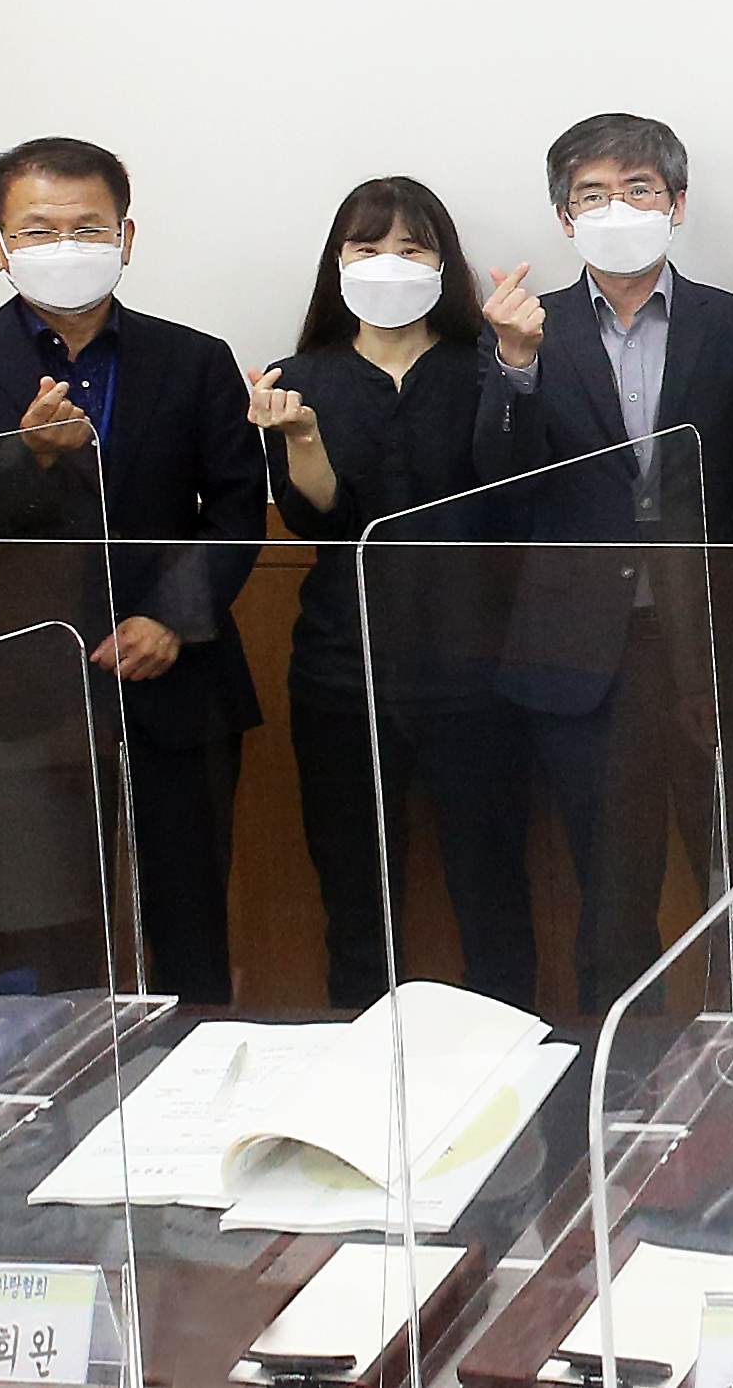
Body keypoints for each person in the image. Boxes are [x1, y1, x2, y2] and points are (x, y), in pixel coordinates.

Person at [0, 138, 267, 1003]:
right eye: (39, 230)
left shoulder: (194, 358)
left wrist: (173, 618)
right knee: (51, 935)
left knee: (190, 923)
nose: (65, 246)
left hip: (181, 682)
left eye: (88, 228)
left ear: (125, 236)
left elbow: (237, 510)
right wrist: (26, 457)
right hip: (28, 696)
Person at [469, 113, 733, 1016]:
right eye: (593, 196)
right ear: (564, 218)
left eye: (639, 190)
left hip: (713, 642)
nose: (618, 210)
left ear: (677, 205)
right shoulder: (523, 330)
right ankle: (618, 1077)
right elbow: (498, 485)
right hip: (583, 652)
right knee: (611, 893)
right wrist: (515, 364)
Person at [241, 177, 536, 1009]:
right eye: (367, 249)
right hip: (343, 669)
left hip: (476, 669)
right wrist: (301, 437)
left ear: (444, 266)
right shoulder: (301, 376)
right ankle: (362, 1057)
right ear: (337, 264)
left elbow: (514, 490)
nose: (388, 265)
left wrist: (516, 361)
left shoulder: (483, 365)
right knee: (356, 898)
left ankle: (515, 1055)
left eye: (411, 249)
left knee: (492, 889)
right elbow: (318, 520)